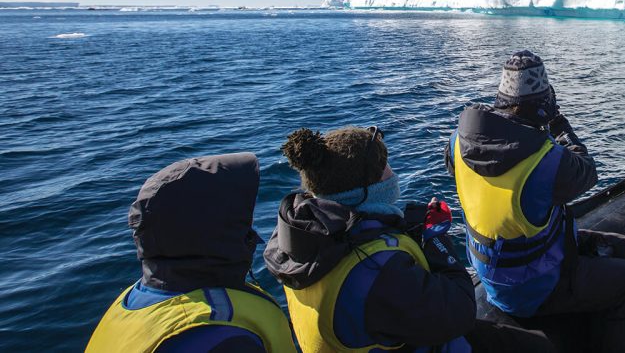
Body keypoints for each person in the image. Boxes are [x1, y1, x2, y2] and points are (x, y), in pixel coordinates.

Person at [446, 51, 625, 353]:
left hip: (492, 273)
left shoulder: (457, 142)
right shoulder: (546, 160)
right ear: (544, 104)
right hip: (536, 286)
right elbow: (586, 170)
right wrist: (560, 126)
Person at [263, 126, 477, 352]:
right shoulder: (377, 268)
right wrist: (436, 238)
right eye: (386, 167)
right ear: (366, 187)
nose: (393, 174)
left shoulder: (301, 241)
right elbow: (460, 311)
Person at [86, 153, 295, 352]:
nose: (249, 229)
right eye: (236, 220)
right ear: (207, 232)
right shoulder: (221, 338)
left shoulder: (134, 302)